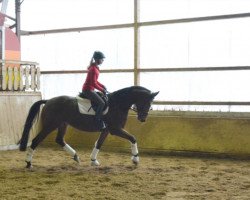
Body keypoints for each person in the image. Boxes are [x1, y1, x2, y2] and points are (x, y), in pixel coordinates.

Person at [82, 51, 107, 130]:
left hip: (90, 89)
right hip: (88, 90)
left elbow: (95, 81)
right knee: (101, 103)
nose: (103, 61)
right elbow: (93, 83)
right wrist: (102, 89)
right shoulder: (93, 69)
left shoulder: (95, 68)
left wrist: (103, 86)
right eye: (102, 59)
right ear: (97, 59)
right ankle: (97, 120)